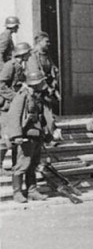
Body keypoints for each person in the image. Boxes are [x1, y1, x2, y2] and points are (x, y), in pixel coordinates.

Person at [5, 68, 56, 203]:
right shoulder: (22, 96)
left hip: (36, 135)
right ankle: (17, 193)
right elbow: (14, 116)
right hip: (25, 136)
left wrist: (48, 133)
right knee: (21, 165)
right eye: (40, 82)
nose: (43, 84)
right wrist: (16, 136)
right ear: (34, 83)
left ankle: (32, 190)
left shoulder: (38, 96)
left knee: (32, 165)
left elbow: (44, 116)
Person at [0, 42, 31, 174]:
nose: (30, 54)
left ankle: (15, 165)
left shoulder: (20, 65)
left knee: (14, 137)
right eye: (28, 52)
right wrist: (15, 98)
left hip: (14, 107)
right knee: (6, 137)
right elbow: (1, 85)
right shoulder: (10, 65)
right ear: (23, 53)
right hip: (7, 107)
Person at [27, 32, 60, 113]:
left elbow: (53, 67)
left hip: (47, 89)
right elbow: (36, 73)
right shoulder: (32, 56)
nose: (49, 44)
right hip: (38, 89)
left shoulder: (46, 54)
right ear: (39, 42)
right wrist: (47, 88)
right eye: (46, 41)